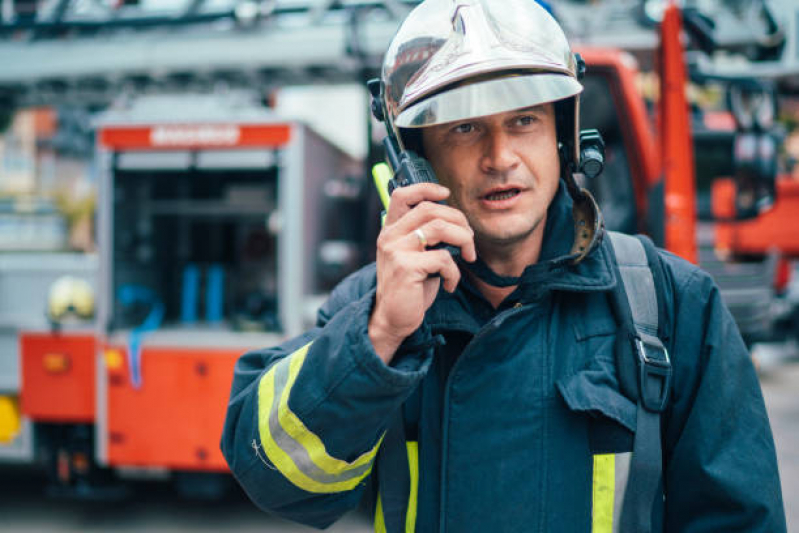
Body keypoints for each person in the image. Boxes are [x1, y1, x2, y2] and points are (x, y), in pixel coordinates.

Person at [221, 0, 786, 531]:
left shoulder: (673, 305)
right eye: (464, 128)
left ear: (562, 136)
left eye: (523, 121)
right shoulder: (374, 309)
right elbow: (273, 480)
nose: (499, 157)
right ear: (414, 159)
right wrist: (380, 336)